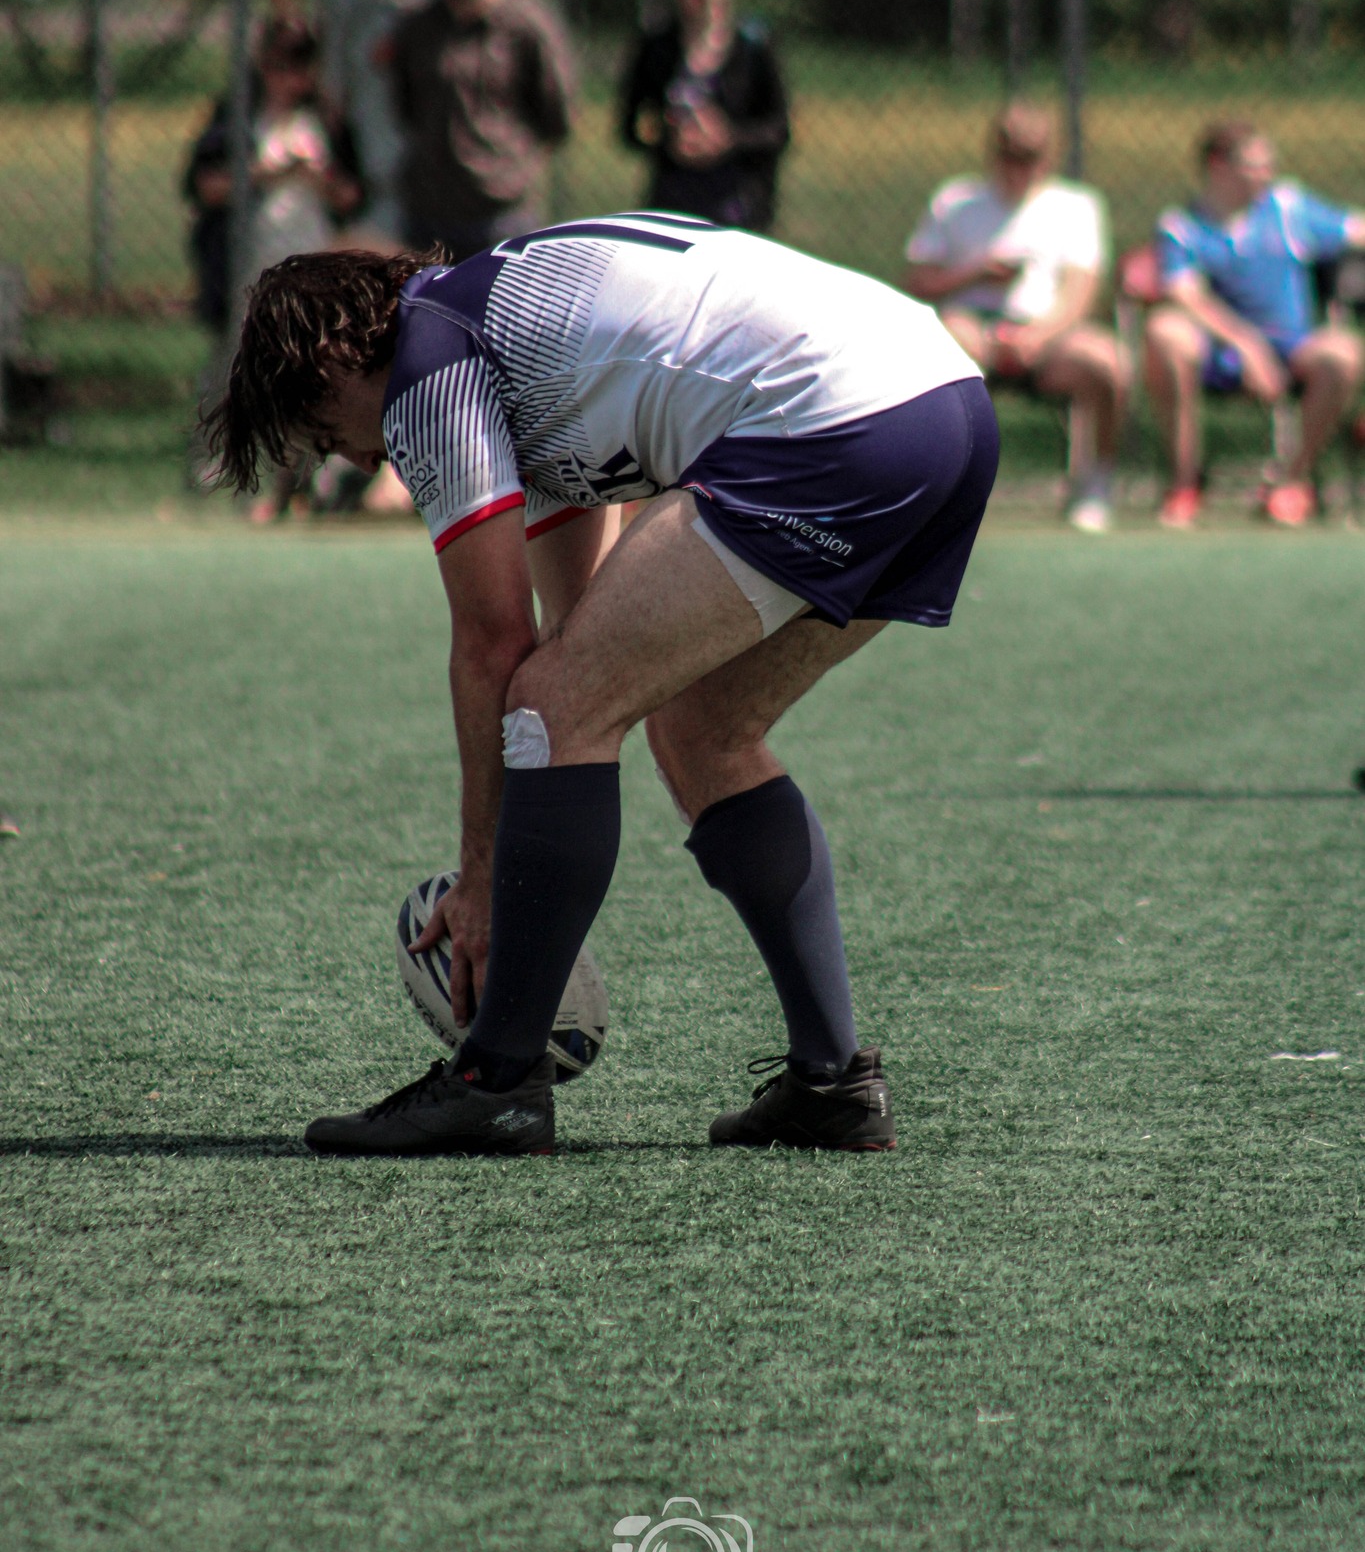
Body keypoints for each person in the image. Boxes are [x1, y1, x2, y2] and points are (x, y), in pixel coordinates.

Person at [208, 214, 999, 1158]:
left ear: (333, 360)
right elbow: (578, 630)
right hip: (942, 402)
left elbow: (498, 649)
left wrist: (486, 879)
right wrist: (539, 815)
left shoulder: (430, 365)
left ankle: (495, 1081)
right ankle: (830, 1083)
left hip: (838, 421)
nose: (350, 459)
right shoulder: (513, 342)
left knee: (556, 704)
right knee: (702, 729)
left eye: (323, 429)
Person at [903, 103, 1124, 533]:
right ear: (992, 153)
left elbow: (1080, 293)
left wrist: (1038, 337)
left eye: (1030, 158)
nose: (1019, 168)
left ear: (1049, 157)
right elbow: (918, 283)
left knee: (1107, 362)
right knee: (952, 340)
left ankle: (1095, 483)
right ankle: (944, 488)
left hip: (1049, 334)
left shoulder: (1077, 206)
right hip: (974, 325)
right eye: (1009, 156)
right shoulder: (955, 202)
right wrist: (976, 273)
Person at [185, 18, 367, 513]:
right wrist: (270, 173)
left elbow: (353, 195)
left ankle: (309, 481)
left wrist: (318, 180)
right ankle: (213, 470)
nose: (290, 76)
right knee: (235, 367)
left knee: (315, 372)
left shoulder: (325, 121)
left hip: (311, 267)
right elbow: (206, 184)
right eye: (280, 64)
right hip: (249, 263)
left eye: (300, 64)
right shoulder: (237, 116)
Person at [1145, 121, 1365, 528]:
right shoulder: (1182, 225)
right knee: (1165, 332)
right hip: (1219, 352)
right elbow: (1184, 295)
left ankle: (1290, 483)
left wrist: (1265, 353)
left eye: (1269, 164)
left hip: (1290, 349)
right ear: (1217, 166)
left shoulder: (1288, 208)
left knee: (1343, 353)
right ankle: (1185, 483)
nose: (1266, 173)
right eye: (1254, 165)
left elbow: (1355, 229)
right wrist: (1246, 346)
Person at [387, 0, 574, 259]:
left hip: (501, 205)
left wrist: (518, 167)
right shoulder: (422, 24)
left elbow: (555, 110)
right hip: (432, 205)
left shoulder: (525, 23)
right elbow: (405, 104)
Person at [618, 0, 790, 231]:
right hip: (673, 210)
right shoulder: (657, 48)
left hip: (739, 211)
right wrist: (668, 137)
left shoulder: (753, 47)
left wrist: (728, 139)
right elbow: (631, 128)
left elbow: (778, 130)